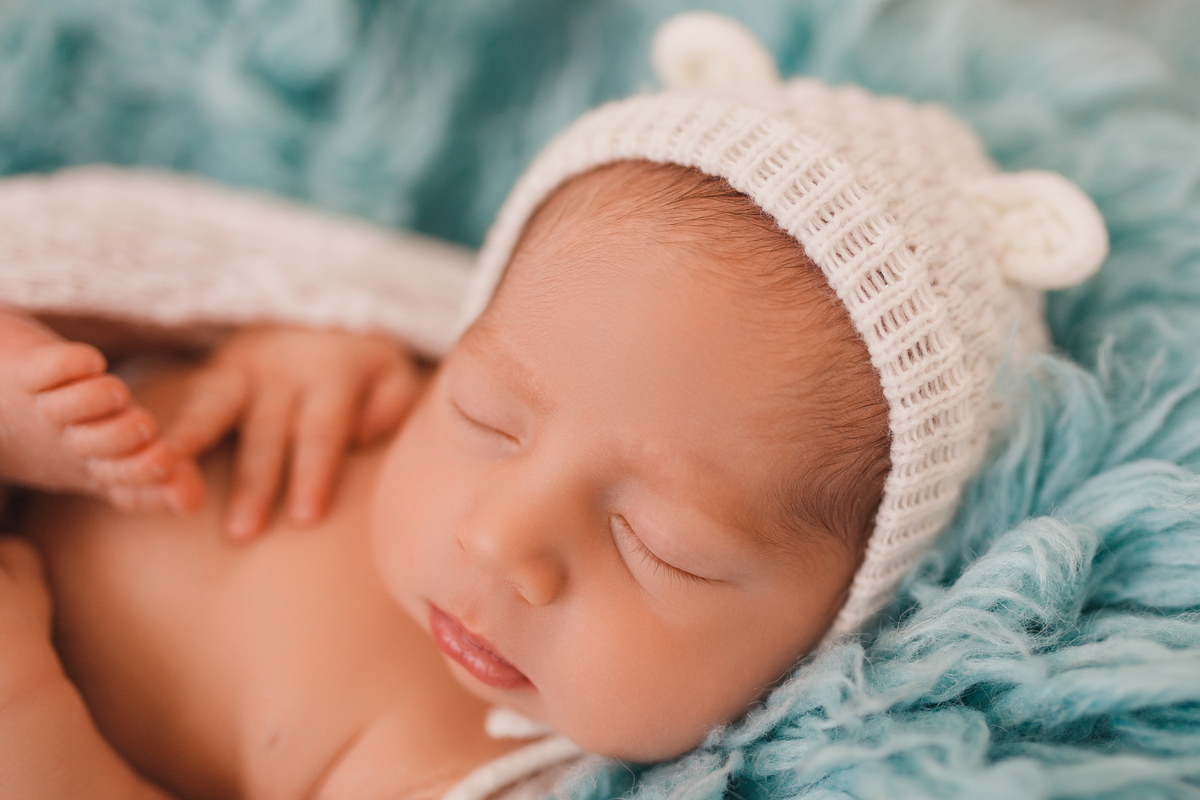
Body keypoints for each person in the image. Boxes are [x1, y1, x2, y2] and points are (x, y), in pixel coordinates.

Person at [0, 13, 1108, 800]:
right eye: (488, 413)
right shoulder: (388, 390)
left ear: (839, 621)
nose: (501, 535)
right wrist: (292, 347)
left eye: (656, 545)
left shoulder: (452, 770)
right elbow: (210, 286)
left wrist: (31, 722)